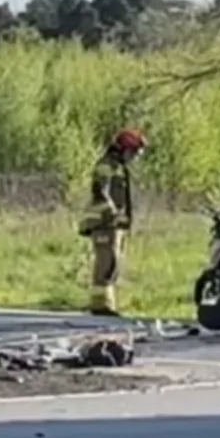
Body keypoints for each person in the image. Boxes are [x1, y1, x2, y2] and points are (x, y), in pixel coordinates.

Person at [80, 128, 145, 317]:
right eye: (132, 152)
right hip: (103, 223)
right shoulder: (106, 164)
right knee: (105, 263)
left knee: (113, 264)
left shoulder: (118, 166)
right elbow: (99, 189)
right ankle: (100, 306)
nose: (133, 157)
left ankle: (107, 304)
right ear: (122, 149)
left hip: (113, 224)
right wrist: (112, 212)